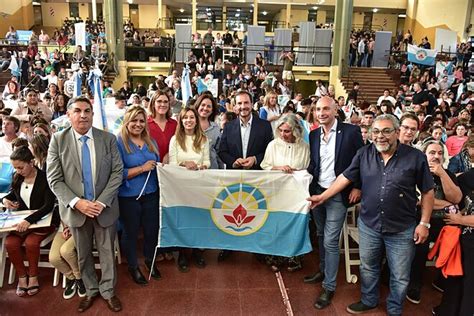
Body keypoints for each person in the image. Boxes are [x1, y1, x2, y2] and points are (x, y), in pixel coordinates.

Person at [308, 114, 435, 315]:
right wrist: (322, 197)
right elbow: (344, 178)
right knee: (368, 267)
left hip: (402, 228)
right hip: (369, 225)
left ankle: (394, 308)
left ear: (397, 132)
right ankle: (369, 300)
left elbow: (428, 191)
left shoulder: (415, 157)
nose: (380, 136)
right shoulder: (363, 154)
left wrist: (424, 223)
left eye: (386, 131)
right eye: (375, 131)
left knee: (400, 275)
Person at [47, 96, 124, 313]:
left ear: (92, 114)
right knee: (83, 254)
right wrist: (77, 203)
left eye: (87, 111)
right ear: (69, 115)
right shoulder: (58, 141)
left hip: (104, 208)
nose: (83, 115)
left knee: (107, 252)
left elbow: (117, 172)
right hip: (76, 211)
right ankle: (91, 290)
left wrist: (101, 202)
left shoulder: (108, 139)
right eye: (78, 111)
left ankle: (108, 291)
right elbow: (54, 179)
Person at [303, 96, 364, 310]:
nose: (321, 113)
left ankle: (329, 287)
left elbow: (361, 159)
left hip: (339, 195)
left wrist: (358, 186)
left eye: (326, 109)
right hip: (318, 191)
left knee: (330, 240)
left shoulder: (350, 132)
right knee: (320, 234)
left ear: (335, 109)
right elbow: (314, 164)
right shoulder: (312, 134)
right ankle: (323, 270)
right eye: (318, 109)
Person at [218, 90, 273, 261]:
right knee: (230, 211)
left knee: (255, 211)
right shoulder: (229, 126)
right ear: (235, 106)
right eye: (239, 103)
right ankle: (229, 246)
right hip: (234, 177)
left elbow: (269, 151)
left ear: (252, 104)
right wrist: (233, 161)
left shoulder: (264, 126)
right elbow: (221, 151)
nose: (243, 107)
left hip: (256, 177)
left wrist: (255, 159)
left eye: (246, 103)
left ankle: (257, 248)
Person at [406, 140, 462, 304]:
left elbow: (457, 198)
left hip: (444, 221)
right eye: (432, 152)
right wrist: (448, 204)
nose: (436, 156)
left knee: (457, 239)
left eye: (439, 153)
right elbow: (419, 200)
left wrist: (442, 174)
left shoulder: (448, 174)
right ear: (423, 154)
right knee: (421, 244)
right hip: (419, 219)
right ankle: (415, 284)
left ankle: (442, 280)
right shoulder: (415, 172)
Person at [3, 146, 57, 297]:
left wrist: (28, 220)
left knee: (31, 243)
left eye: (20, 167)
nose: (18, 171)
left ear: (31, 162)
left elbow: (48, 206)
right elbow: (12, 195)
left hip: (43, 221)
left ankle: (33, 276)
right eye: (15, 167)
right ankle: (22, 277)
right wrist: (6, 200)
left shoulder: (45, 178)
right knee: (10, 243)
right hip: (23, 223)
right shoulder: (18, 178)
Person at [117, 106, 161, 285]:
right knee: (131, 232)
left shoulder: (151, 141)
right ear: (127, 121)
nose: (138, 124)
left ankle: (150, 260)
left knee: (151, 230)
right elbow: (117, 172)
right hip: (129, 196)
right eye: (134, 120)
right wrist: (141, 169)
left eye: (142, 121)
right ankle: (133, 266)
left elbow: (157, 163)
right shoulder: (119, 142)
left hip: (151, 193)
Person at [260, 113, 310, 271]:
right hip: (277, 192)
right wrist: (279, 168)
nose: (283, 134)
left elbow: (307, 167)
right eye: (280, 130)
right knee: (276, 224)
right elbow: (265, 165)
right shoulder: (273, 145)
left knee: (295, 224)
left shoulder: (304, 146)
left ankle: (294, 258)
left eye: (287, 131)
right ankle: (275, 257)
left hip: (296, 195)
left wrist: (296, 171)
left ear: (296, 130)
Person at [169, 107, 210, 272]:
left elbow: (208, 162)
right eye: (185, 118)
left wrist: (200, 166)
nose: (188, 120)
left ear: (196, 120)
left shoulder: (203, 139)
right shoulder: (175, 140)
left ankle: (197, 252)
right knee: (183, 220)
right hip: (180, 188)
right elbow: (172, 164)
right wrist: (183, 164)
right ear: (181, 120)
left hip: (199, 186)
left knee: (198, 220)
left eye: (192, 117)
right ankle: (182, 254)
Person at [433, 168, 474, 316]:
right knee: (456, 278)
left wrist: (460, 219)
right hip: (464, 237)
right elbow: (464, 204)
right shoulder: (468, 177)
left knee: (470, 284)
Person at [148, 91, 178, 165]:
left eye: (165, 102)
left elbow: (180, 145)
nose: (163, 104)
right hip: (151, 168)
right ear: (153, 104)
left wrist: (169, 154)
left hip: (170, 168)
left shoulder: (175, 124)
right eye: (159, 101)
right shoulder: (145, 124)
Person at [195, 93, 222, 169]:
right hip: (193, 171)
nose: (205, 108)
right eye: (203, 105)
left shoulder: (216, 128)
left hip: (212, 171)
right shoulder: (189, 125)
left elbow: (218, 152)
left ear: (212, 110)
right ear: (198, 106)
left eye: (209, 106)